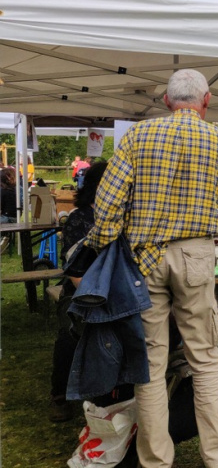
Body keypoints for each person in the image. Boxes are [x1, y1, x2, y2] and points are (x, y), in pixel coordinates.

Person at [85, 69, 218, 468]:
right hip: (196, 254)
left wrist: (103, 243)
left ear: (166, 101)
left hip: (144, 258)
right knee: (205, 358)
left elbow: (107, 203)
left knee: (151, 363)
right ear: (206, 100)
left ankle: (156, 460)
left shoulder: (138, 137)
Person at [49, 162, 108, 422]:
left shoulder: (124, 216)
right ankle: (59, 395)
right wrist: (95, 297)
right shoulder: (80, 217)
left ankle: (113, 393)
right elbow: (73, 271)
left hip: (115, 291)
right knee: (71, 333)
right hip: (81, 290)